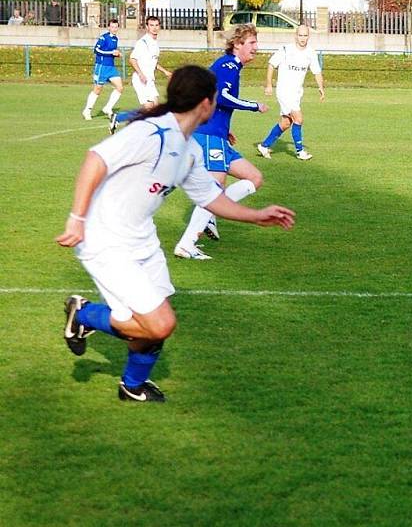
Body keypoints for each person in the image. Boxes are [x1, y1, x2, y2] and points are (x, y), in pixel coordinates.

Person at [56, 65, 296, 402]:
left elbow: (210, 197)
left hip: (141, 237)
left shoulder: (189, 149)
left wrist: (256, 216)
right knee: (160, 324)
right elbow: (96, 159)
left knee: (147, 321)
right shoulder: (152, 133)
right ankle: (83, 315)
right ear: (206, 104)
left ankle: (132, 386)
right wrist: (76, 218)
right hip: (105, 238)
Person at [173, 24, 267, 259]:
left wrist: (226, 129)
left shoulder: (229, 66)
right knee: (214, 191)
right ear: (237, 44)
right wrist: (253, 106)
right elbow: (222, 97)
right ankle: (187, 243)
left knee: (254, 178)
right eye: (252, 43)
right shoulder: (227, 66)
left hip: (217, 135)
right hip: (208, 136)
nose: (256, 48)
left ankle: (211, 216)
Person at [255, 24, 324, 161]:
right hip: (284, 91)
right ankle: (300, 152)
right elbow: (271, 65)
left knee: (286, 123)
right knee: (298, 119)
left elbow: (317, 71)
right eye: (300, 35)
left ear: (308, 36)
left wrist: (321, 87)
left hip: (297, 93)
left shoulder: (311, 53)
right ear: (295, 36)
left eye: (305, 35)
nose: (303, 38)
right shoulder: (286, 49)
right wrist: (269, 84)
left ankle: (264, 145)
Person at [109, 15, 172, 134]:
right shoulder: (143, 42)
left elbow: (153, 61)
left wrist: (164, 71)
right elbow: (132, 59)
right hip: (140, 79)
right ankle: (120, 118)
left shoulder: (154, 43)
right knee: (149, 107)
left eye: (156, 25)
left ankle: (148, 130)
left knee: (155, 108)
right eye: (151, 25)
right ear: (147, 27)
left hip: (150, 80)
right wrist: (140, 74)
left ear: (159, 27)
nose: (154, 28)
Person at [82, 19, 124, 121]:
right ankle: (87, 111)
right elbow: (96, 50)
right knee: (98, 89)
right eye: (112, 27)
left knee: (120, 87)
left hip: (111, 67)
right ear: (108, 27)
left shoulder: (115, 39)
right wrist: (111, 52)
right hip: (101, 67)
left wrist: (117, 54)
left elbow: (112, 52)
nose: (114, 29)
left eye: (116, 27)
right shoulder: (103, 37)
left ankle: (107, 108)